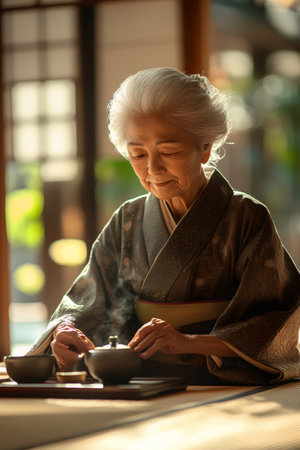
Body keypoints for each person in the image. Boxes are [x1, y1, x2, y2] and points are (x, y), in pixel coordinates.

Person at [29, 67, 300, 385]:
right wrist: (66, 331)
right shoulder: (127, 221)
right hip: (144, 379)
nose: (152, 169)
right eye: (138, 154)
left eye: (168, 152)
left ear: (205, 147)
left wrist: (189, 343)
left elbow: (276, 316)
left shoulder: (246, 218)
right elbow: (91, 301)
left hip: (220, 380)